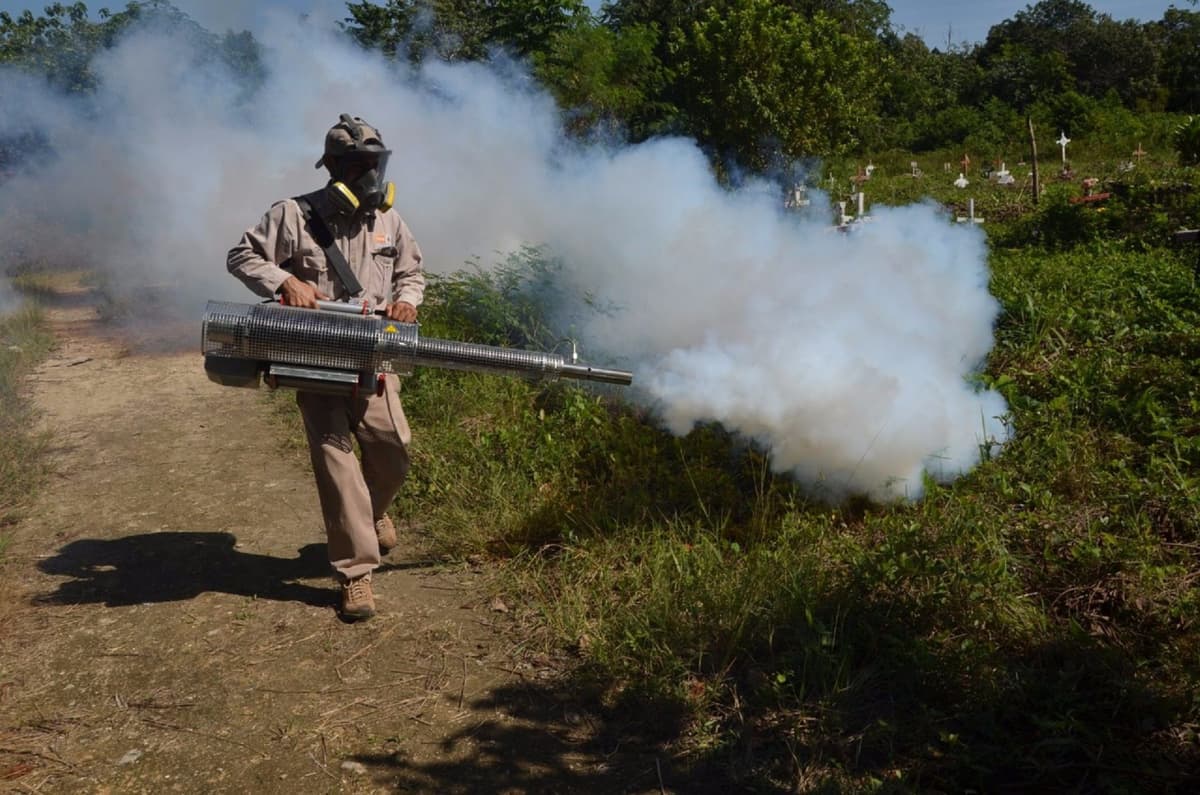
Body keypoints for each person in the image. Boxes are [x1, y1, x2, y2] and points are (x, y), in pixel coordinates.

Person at [227, 114, 425, 620]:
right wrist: (283, 282)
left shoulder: (389, 222)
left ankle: (372, 514)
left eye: (376, 164)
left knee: (393, 452)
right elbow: (241, 255)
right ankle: (356, 574)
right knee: (338, 465)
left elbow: (412, 272)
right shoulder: (294, 215)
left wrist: (406, 301)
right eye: (359, 165)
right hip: (314, 362)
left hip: (373, 358)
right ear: (334, 167)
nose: (371, 176)